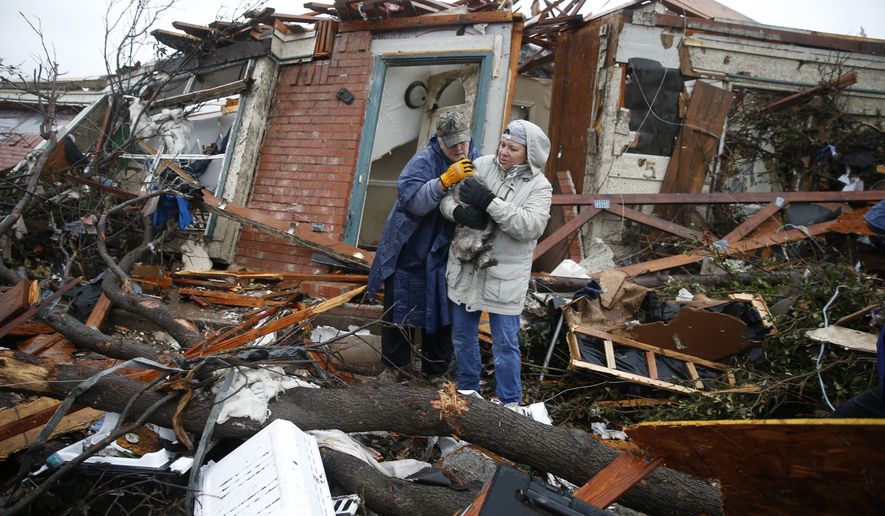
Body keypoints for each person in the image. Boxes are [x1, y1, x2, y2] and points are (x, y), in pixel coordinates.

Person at [440, 119, 553, 406]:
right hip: (468, 268)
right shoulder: (481, 165)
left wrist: (489, 202)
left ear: (529, 154)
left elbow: (530, 226)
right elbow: (446, 201)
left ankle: (509, 403)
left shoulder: (540, 186)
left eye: (513, 148)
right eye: (503, 144)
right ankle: (467, 394)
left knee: (505, 344)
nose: (503, 151)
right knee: (463, 337)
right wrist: (459, 214)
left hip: (505, 275)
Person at [367, 112, 481, 383]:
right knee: (400, 305)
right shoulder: (423, 161)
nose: (458, 148)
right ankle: (395, 367)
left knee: (441, 307)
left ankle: (435, 370)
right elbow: (413, 202)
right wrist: (443, 182)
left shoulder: (477, 159)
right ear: (438, 140)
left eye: (462, 142)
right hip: (411, 245)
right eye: (451, 143)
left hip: (446, 249)